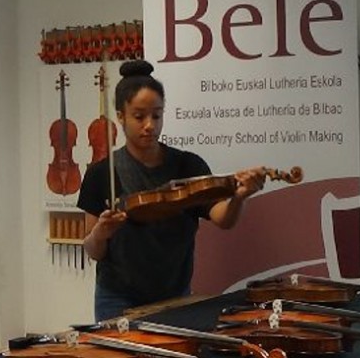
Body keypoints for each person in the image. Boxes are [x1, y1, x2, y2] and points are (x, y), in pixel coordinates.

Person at [77, 59, 266, 321]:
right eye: (139, 116)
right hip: (117, 297)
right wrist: (101, 233)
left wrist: (239, 196)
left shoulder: (188, 164)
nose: (149, 125)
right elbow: (92, 250)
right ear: (120, 116)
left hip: (175, 294)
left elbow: (224, 219)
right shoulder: (101, 173)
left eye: (157, 115)